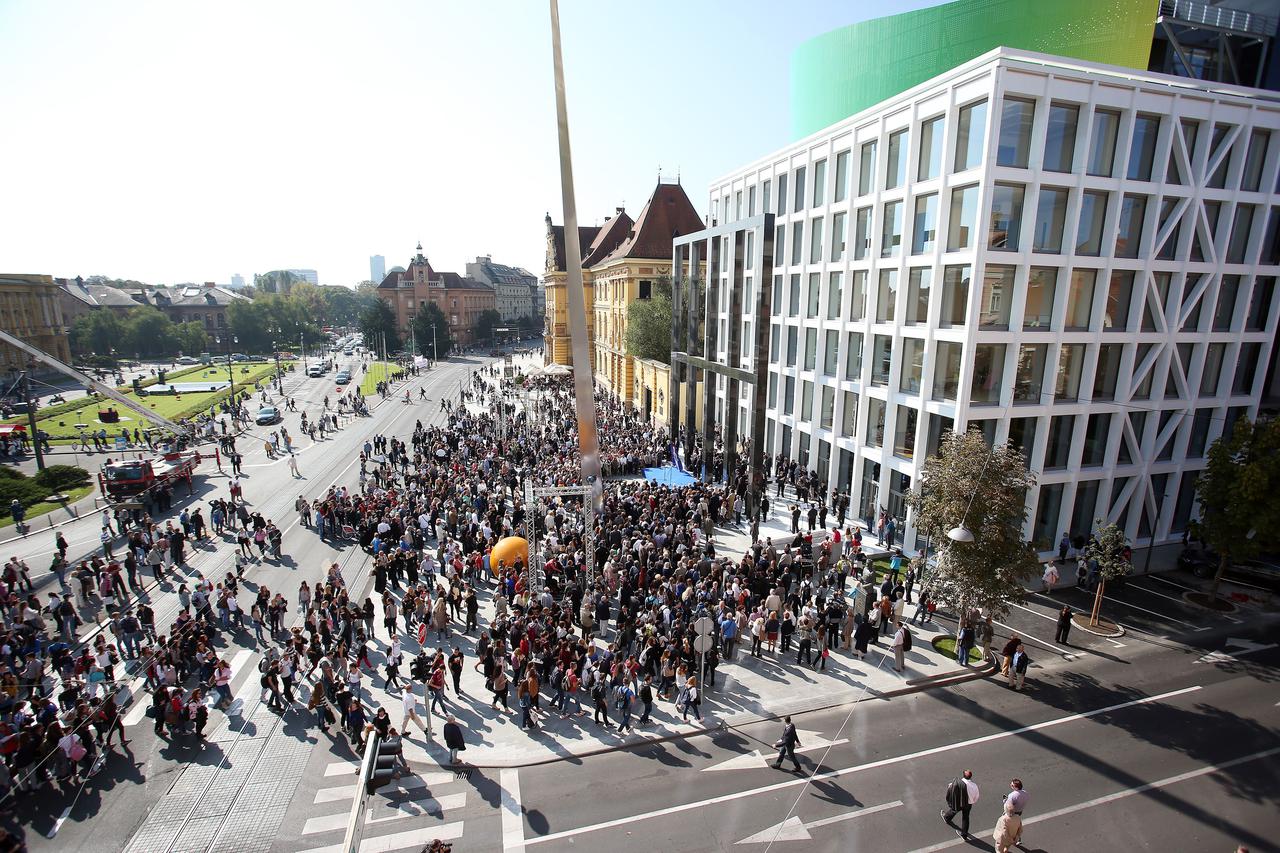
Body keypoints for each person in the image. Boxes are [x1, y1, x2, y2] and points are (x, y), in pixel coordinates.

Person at [942, 769, 979, 837]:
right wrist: (971, 802)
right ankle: (964, 834)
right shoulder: (974, 786)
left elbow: (951, 787)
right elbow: (976, 797)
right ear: (971, 777)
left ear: (963, 775)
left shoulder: (958, 783)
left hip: (959, 802)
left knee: (954, 810)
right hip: (968, 804)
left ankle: (947, 818)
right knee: (965, 818)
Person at [1004, 778, 1028, 846]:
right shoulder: (1025, 793)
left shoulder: (1012, 795)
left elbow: (1008, 806)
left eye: (1012, 785)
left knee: (1008, 826)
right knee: (1017, 824)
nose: (1010, 785)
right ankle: (1018, 839)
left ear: (1016, 787)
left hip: (1012, 812)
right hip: (1020, 811)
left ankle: (1009, 840)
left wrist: (1004, 801)